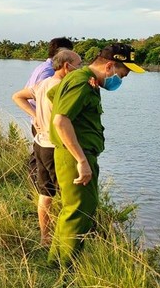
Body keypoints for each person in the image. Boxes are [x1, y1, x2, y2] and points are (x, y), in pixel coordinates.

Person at [47, 43, 144, 267]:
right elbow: (61, 120)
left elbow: (53, 94)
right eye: (123, 73)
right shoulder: (81, 81)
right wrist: (81, 160)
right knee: (80, 212)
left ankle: (55, 263)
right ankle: (66, 270)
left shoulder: (83, 79)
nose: (123, 78)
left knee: (73, 210)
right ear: (109, 65)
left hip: (75, 153)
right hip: (75, 156)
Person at [12, 49, 82, 246]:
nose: (81, 68)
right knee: (67, 195)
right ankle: (65, 240)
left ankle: (45, 237)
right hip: (55, 146)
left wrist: (35, 115)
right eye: (79, 64)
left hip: (40, 144)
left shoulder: (43, 84)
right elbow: (63, 122)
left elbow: (17, 96)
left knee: (45, 194)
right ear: (67, 66)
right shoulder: (62, 87)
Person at [25, 37, 75, 186]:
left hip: (40, 120)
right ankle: (40, 194)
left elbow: (25, 94)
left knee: (39, 159)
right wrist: (37, 116)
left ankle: (37, 194)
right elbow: (45, 98)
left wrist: (35, 115)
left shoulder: (41, 67)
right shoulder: (49, 72)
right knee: (49, 168)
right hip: (46, 123)